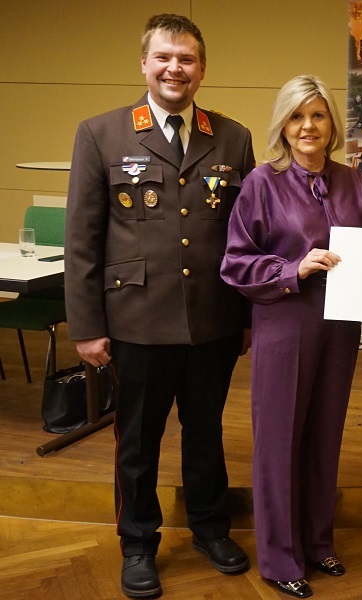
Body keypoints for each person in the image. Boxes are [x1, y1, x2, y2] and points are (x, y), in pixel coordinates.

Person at [64, 14, 254, 599]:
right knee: (138, 443)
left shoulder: (233, 137)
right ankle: (138, 545)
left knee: (206, 434)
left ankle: (210, 529)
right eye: (165, 57)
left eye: (187, 59)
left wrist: (247, 317)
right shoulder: (102, 134)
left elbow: (249, 234)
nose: (176, 68)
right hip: (137, 321)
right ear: (144, 64)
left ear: (203, 68)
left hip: (212, 319)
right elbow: (82, 239)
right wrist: (87, 326)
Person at [220, 75, 362, 599]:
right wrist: (293, 268)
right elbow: (235, 262)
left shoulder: (355, 182)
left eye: (318, 115)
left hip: (340, 325)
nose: (308, 126)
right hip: (285, 320)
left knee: (325, 435)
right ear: (283, 126)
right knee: (279, 440)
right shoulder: (261, 183)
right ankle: (280, 557)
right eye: (296, 116)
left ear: (332, 123)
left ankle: (317, 540)